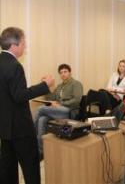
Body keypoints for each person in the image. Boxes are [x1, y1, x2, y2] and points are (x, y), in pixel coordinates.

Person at [0, 27, 55, 184]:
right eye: (24, 43)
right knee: (30, 167)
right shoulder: (15, 66)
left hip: (4, 128)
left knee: (7, 168)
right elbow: (19, 96)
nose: (25, 46)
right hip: (20, 128)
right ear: (14, 45)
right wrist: (44, 85)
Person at [34, 64, 83, 156]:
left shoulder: (76, 84)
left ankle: (29, 133)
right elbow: (51, 98)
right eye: (61, 72)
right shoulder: (60, 86)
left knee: (40, 109)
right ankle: (41, 151)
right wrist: (46, 86)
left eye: (65, 72)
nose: (63, 74)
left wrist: (61, 104)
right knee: (42, 119)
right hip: (58, 111)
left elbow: (77, 100)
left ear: (70, 72)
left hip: (69, 110)